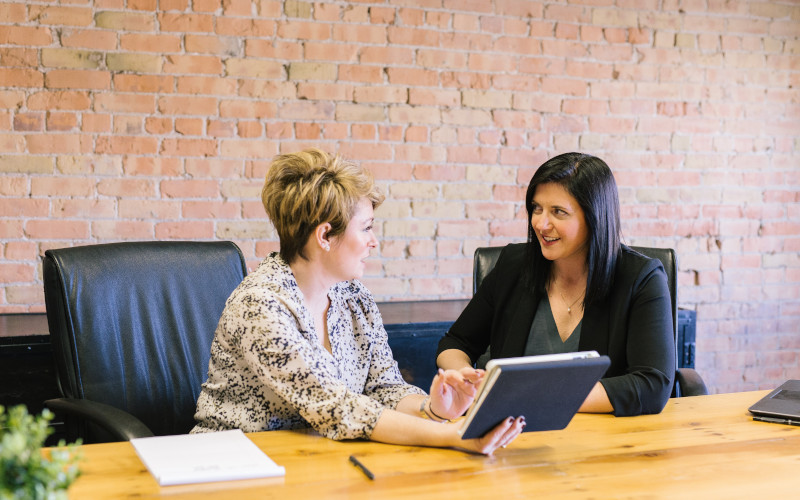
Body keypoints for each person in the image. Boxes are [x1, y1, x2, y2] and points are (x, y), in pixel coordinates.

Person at [192, 148, 525, 454]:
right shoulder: (260, 305)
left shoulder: (353, 296)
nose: (374, 242)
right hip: (233, 462)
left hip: (318, 458)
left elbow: (385, 387)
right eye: (366, 228)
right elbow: (336, 407)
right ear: (325, 236)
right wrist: (454, 435)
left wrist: (434, 409)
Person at [436, 152, 675, 416]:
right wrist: (465, 378)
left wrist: (535, 396)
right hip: (511, 434)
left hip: (603, 438)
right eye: (537, 208)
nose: (540, 223)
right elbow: (455, 342)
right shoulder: (514, 265)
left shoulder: (641, 278)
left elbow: (652, 384)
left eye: (558, 212)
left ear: (594, 217)